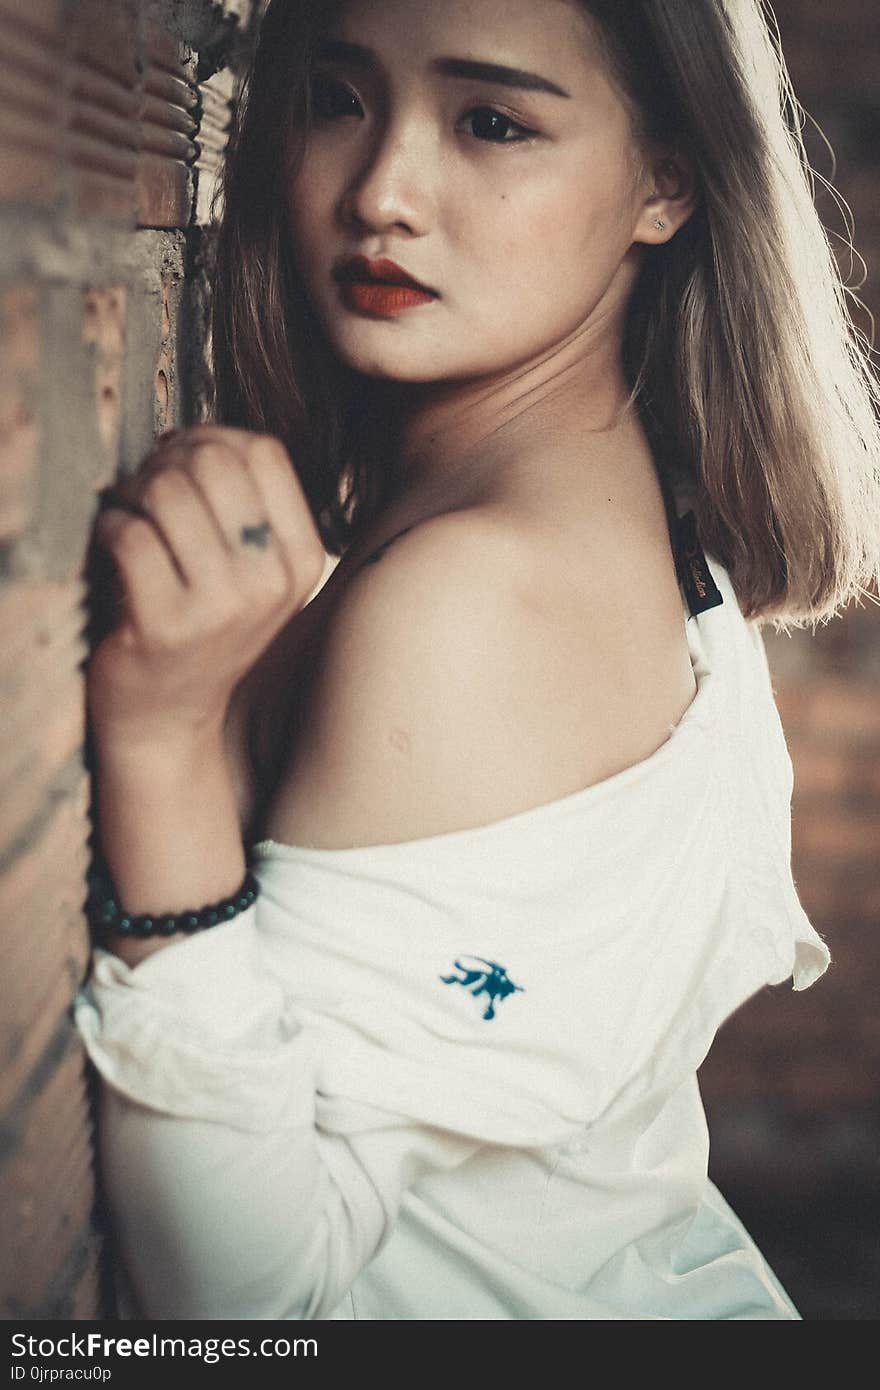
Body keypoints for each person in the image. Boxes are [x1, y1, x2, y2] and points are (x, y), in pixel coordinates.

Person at [73, 0, 880, 1320]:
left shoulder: (463, 601)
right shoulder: (653, 529)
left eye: (493, 122)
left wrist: (161, 743)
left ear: (665, 180)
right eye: (337, 98)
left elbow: (247, 1302)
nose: (383, 190)